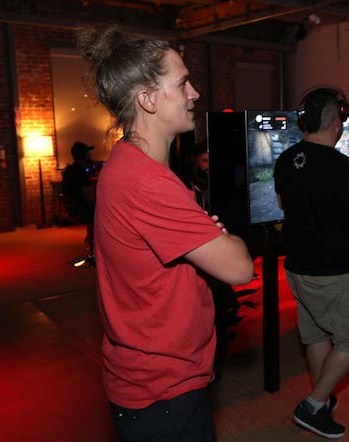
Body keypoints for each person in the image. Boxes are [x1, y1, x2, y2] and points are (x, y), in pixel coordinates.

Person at [77, 25, 254, 442]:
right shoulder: (147, 182)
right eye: (183, 82)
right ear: (148, 99)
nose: (194, 93)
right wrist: (225, 239)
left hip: (154, 381)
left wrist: (208, 236)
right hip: (162, 389)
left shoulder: (133, 165)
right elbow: (240, 268)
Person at [273, 87, 349, 439]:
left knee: (315, 335)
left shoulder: (285, 160)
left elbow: (285, 204)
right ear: (336, 122)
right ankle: (313, 405)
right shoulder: (342, 167)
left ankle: (322, 398)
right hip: (334, 272)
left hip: (295, 268)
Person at [61, 141, 98, 264]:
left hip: (75, 204)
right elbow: (88, 196)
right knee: (103, 212)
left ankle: (91, 241)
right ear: (83, 155)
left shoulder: (71, 170)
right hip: (81, 207)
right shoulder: (79, 172)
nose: (90, 154)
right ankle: (93, 249)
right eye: (88, 152)